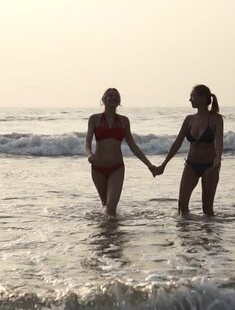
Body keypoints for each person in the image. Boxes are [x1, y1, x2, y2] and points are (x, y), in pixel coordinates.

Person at [85, 88, 156, 217]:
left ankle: (113, 233)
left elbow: (133, 146)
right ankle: (109, 234)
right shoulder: (94, 119)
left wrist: (149, 165)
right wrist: (90, 154)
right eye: (110, 96)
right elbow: (87, 142)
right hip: (98, 168)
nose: (113, 98)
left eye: (116, 96)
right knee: (105, 205)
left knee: (111, 208)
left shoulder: (124, 121)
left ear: (119, 101)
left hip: (116, 168)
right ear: (104, 99)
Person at [155, 85, 224, 217]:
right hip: (191, 165)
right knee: (182, 207)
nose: (190, 99)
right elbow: (177, 143)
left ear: (203, 98)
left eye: (193, 96)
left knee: (207, 210)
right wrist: (164, 164)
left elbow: (219, 141)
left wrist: (218, 158)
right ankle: (186, 236)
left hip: (210, 167)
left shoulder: (216, 119)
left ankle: (209, 237)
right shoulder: (189, 119)